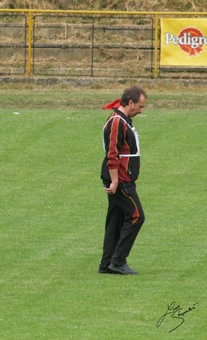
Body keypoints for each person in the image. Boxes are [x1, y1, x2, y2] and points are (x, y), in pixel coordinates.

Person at [99, 86, 147, 275]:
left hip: (121, 178)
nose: (141, 111)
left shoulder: (123, 120)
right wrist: (115, 181)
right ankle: (118, 261)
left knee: (116, 219)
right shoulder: (117, 122)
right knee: (136, 216)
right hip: (121, 180)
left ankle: (107, 264)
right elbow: (112, 154)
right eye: (140, 106)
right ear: (130, 103)